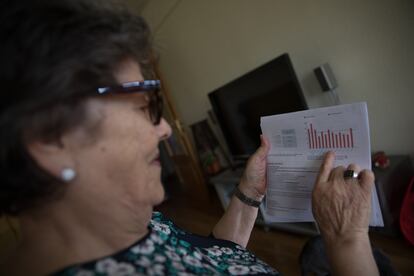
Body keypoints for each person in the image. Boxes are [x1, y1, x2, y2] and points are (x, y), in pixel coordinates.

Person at [0, 0, 381, 275]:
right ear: (50, 138)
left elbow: (214, 255)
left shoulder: (133, 220)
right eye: (144, 104)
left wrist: (248, 195)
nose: (165, 127)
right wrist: (347, 241)